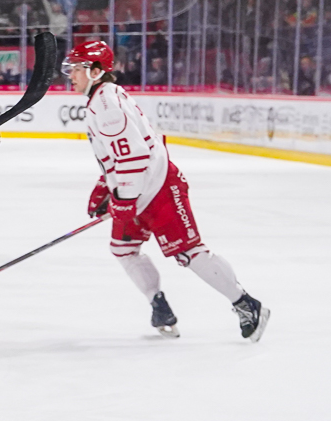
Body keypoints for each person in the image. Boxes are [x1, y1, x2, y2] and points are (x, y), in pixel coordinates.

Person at [62, 40, 269, 341]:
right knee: (123, 249)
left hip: (158, 189)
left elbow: (134, 156)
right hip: (135, 190)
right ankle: (159, 305)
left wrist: (123, 200)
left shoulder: (105, 104)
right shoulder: (102, 97)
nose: (71, 75)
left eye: (78, 69)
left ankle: (247, 304)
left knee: (188, 253)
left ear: (95, 71)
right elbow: (122, 153)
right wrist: (106, 186)